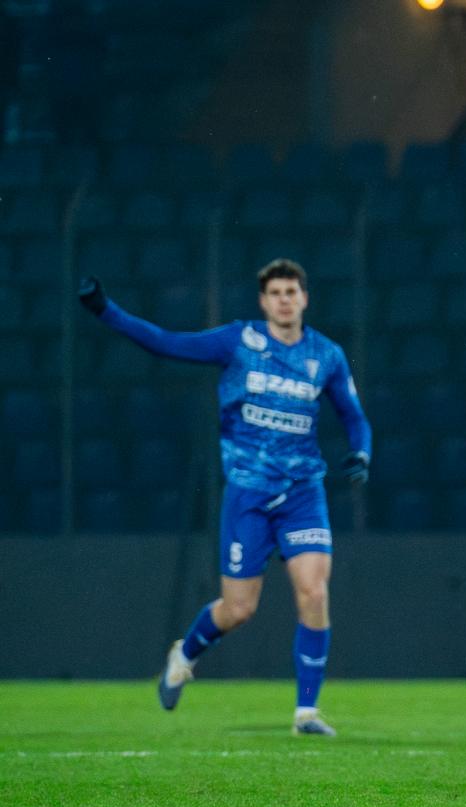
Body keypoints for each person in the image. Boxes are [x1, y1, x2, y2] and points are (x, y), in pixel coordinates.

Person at [78, 259, 372, 736]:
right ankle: (184, 655)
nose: (284, 300)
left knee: (315, 592)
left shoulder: (326, 355)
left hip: (302, 493)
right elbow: (166, 342)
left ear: (304, 298)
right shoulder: (239, 341)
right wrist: (104, 310)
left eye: (291, 292)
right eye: (275, 293)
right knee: (238, 609)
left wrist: (361, 452)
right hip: (248, 494)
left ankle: (306, 713)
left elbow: (354, 416)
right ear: (263, 301)